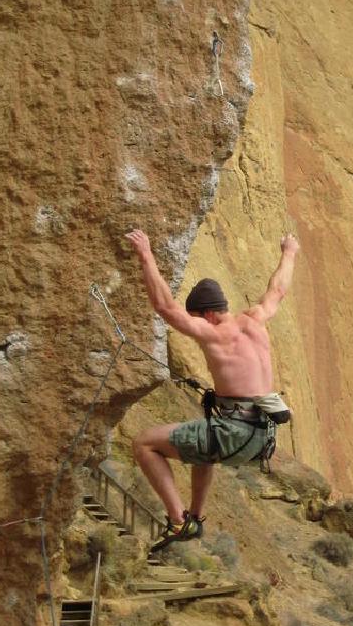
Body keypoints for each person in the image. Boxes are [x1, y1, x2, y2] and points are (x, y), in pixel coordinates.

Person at [126, 228, 299, 550]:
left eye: (198, 319)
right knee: (201, 446)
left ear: (207, 314)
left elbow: (166, 309)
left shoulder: (215, 334)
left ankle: (178, 522)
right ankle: (196, 517)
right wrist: (289, 251)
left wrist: (146, 254)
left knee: (144, 444)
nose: (197, 325)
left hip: (233, 432)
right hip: (262, 437)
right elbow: (278, 290)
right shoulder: (256, 319)